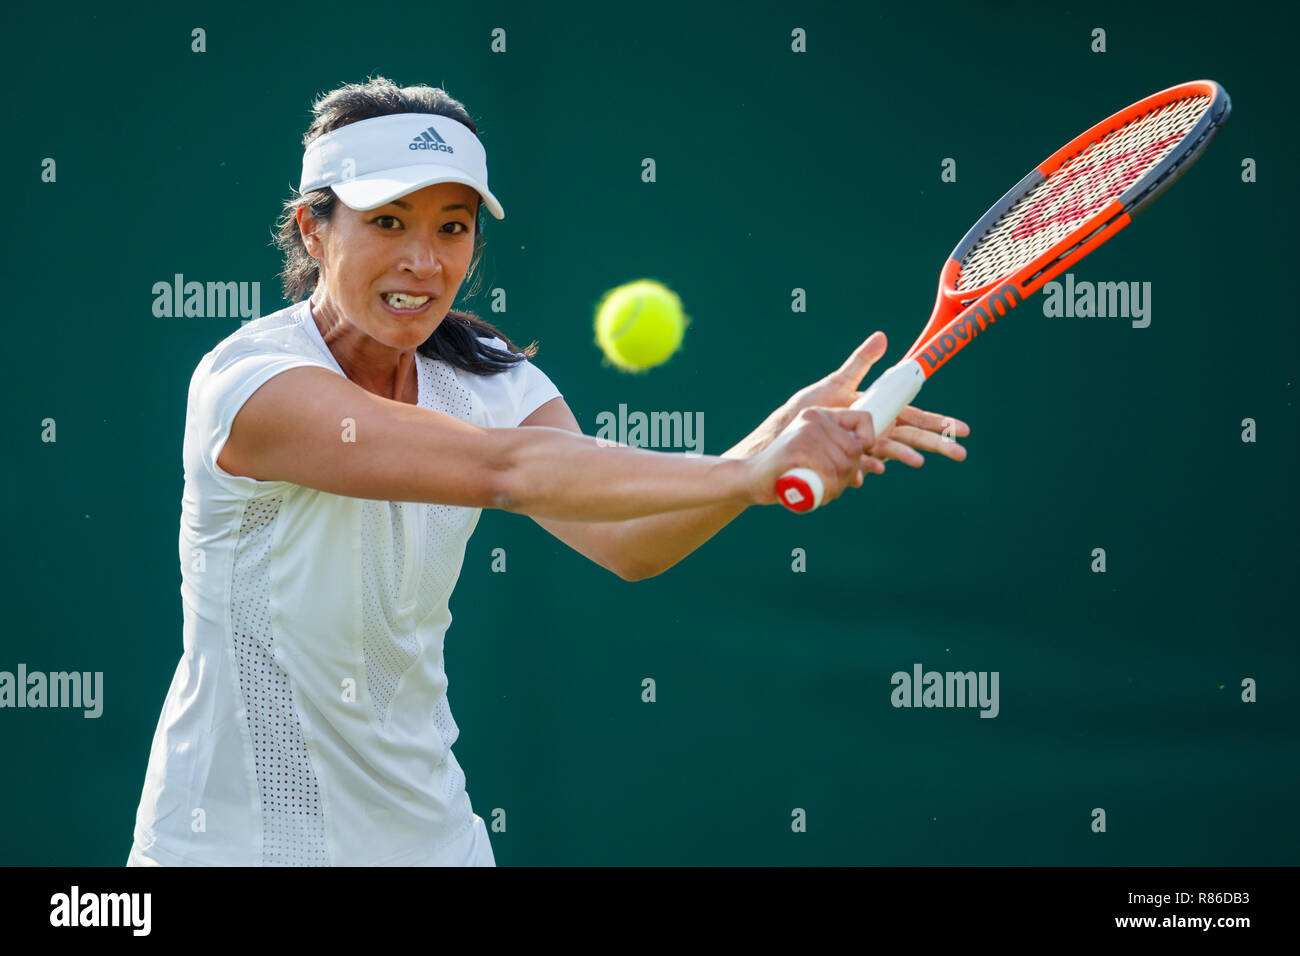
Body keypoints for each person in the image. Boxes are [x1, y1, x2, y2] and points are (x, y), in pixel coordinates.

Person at [126, 77, 970, 867]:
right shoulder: (252, 386)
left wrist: (770, 440)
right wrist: (748, 473)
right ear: (314, 230)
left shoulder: (489, 379)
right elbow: (509, 471)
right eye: (388, 221)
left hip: (434, 844)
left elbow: (627, 539)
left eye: (452, 226)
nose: (425, 261)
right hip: (233, 847)